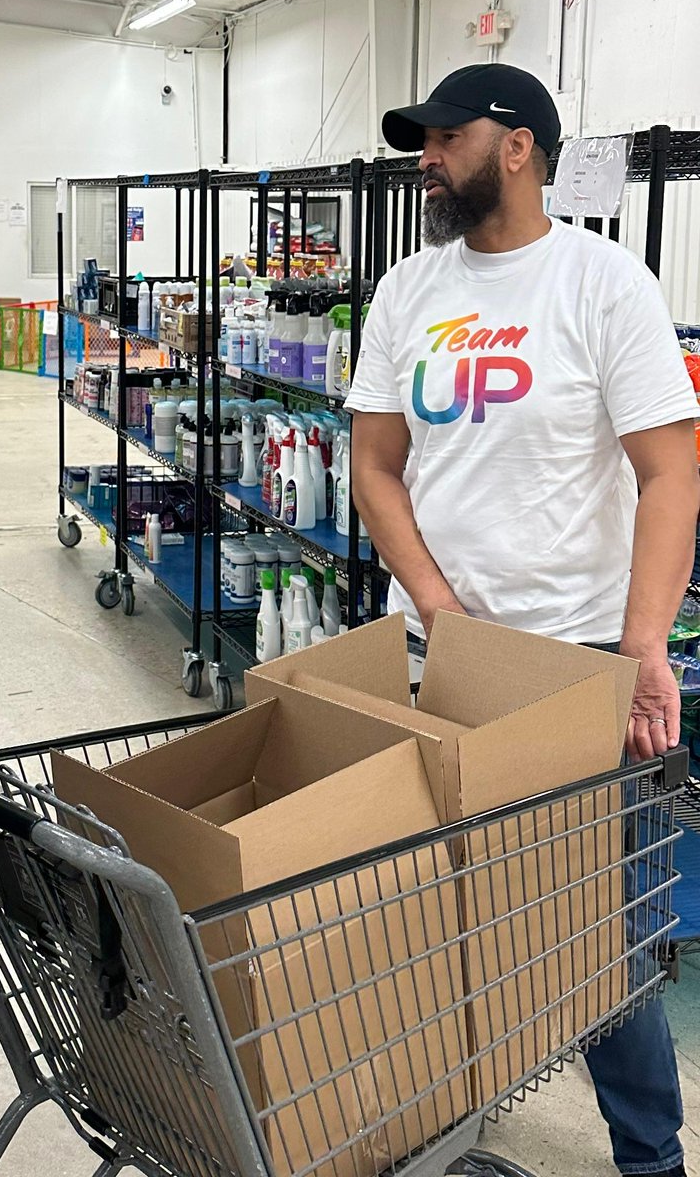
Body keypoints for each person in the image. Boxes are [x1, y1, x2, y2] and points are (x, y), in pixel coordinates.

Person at [347, 63, 697, 1177]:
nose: (426, 155)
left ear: (518, 146)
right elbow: (374, 463)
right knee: (437, 904)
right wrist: (440, 612)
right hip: (432, 656)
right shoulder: (408, 290)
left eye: (446, 136)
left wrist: (645, 646)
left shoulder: (604, 285)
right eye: (422, 138)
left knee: (599, 928)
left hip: (574, 659)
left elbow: (670, 474)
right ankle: (455, 1107)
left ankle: (648, 1155)